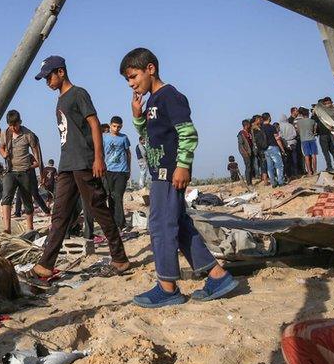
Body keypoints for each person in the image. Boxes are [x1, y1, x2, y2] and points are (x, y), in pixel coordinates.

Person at [117, 48, 236, 307]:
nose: (131, 83)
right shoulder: (151, 102)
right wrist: (137, 117)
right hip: (160, 173)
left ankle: (167, 287)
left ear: (150, 69)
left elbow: (188, 134)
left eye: (133, 76)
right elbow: (148, 138)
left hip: (168, 174)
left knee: (160, 227)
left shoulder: (170, 96)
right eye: (127, 80)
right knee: (179, 225)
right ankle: (218, 276)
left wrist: (183, 166)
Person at [26, 56, 129, 285]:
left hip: (83, 162)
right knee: (59, 214)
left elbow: (94, 124)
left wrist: (99, 158)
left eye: (49, 76)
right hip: (66, 164)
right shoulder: (60, 99)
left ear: (61, 72)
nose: (47, 82)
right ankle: (45, 264)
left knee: (98, 209)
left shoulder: (78, 94)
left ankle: (120, 258)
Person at [0, 109, 43, 233]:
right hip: (10, 171)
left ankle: (30, 228)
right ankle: (7, 228)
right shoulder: (5, 133)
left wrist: (37, 164)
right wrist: (4, 154)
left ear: (20, 122)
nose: (13, 128)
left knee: (27, 200)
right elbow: (1, 147)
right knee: (6, 197)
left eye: (15, 125)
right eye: (10, 125)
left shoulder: (28, 134)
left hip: (25, 172)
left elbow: (35, 150)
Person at [102, 116, 132, 231]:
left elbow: (128, 154)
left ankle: (120, 223)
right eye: (114, 126)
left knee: (118, 196)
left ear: (122, 126)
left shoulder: (124, 138)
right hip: (108, 171)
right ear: (110, 125)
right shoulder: (104, 138)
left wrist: (128, 169)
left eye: (118, 127)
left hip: (121, 171)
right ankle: (112, 222)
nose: (116, 128)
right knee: (109, 196)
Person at [314, 99, 334, 172]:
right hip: (330, 134)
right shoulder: (327, 112)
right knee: (333, 152)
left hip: (322, 135)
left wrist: (313, 113)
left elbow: (314, 123)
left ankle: (329, 167)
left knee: (326, 153)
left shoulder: (317, 114)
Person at [261, 113, 286, 187]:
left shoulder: (261, 128)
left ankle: (273, 183)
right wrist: (282, 149)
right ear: (269, 118)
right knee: (279, 165)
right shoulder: (271, 127)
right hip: (273, 147)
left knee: (270, 166)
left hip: (266, 149)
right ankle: (280, 181)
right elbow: (277, 139)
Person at [295, 107, 319, 175]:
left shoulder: (299, 122)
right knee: (314, 155)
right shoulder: (312, 121)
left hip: (304, 140)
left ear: (302, 114)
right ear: (308, 114)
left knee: (306, 156)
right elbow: (314, 131)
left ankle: (309, 172)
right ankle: (315, 170)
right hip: (312, 139)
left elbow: (298, 131)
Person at [278, 114, 299, 178]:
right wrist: (290, 138)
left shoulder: (279, 127)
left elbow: (280, 136)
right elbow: (295, 134)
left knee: (287, 160)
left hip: (285, 144)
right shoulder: (290, 125)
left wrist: (285, 139)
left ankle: (288, 174)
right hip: (292, 143)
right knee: (294, 159)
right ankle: (295, 173)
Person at [251, 115, 269, 186]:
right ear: (257, 120)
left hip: (259, 148)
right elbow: (257, 140)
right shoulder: (255, 129)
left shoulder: (256, 128)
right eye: (259, 119)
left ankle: (264, 179)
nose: (261, 120)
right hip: (260, 148)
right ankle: (265, 180)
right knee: (263, 163)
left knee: (262, 163)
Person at [236, 119, 255, 186]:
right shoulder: (241, 133)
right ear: (246, 125)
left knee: (251, 166)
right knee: (248, 167)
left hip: (250, 152)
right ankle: (248, 182)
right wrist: (245, 153)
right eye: (249, 125)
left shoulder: (249, 133)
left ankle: (250, 181)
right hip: (246, 153)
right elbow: (240, 145)